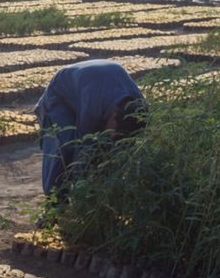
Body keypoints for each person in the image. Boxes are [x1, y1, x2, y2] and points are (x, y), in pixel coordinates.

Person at [34, 58, 147, 198]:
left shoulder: (139, 107)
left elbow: (128, 145)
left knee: (110, 146)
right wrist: (83, 190)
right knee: (64, 144)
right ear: (115, 112)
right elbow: (84, 148)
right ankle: (55, 202)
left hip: (96, 79)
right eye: (115, 131)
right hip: (60, 96)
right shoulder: (93, 106)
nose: (114, 135)